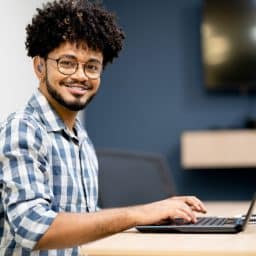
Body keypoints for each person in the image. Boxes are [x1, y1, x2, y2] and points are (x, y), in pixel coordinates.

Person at [0, 0, 207, 255]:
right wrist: (139, 213)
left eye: (92, 66)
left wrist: (155, 214)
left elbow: (86, 221)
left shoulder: (80, 138)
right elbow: (35, 228)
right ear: (39, 66)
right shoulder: (23, 129)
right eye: (67, 62)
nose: (80, 75)